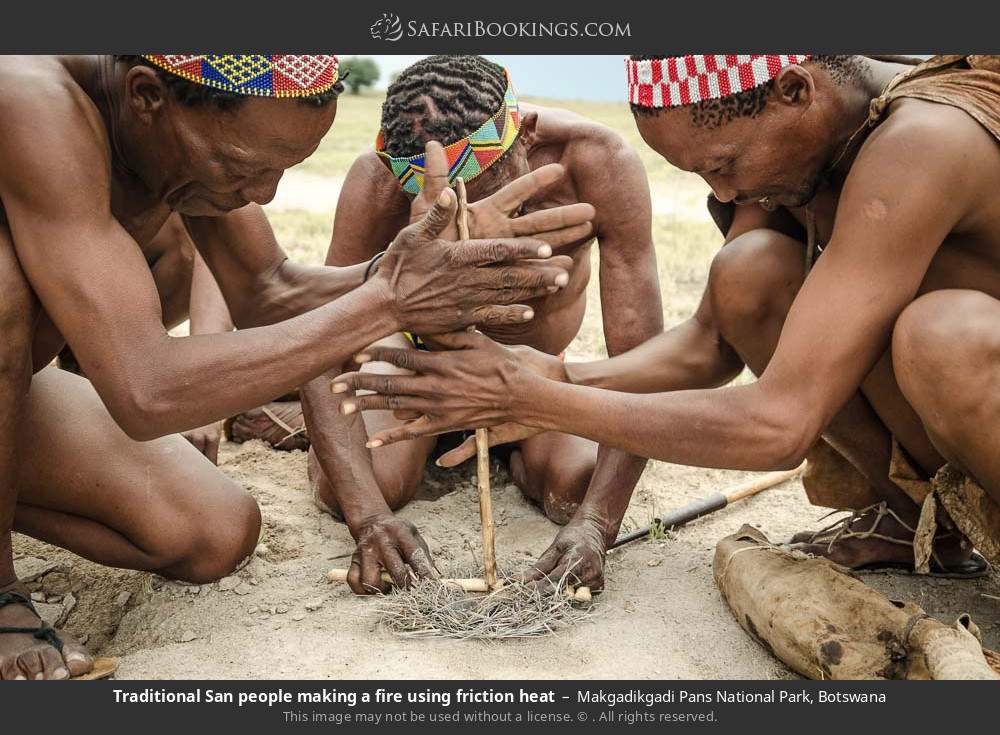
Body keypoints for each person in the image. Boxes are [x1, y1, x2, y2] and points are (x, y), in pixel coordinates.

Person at [0, 53, 592, 679]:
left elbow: (270, 290)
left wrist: (395, 273)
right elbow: (146, 392)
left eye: (283, 170)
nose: (263, 195)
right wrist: (389, 300)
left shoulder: (174, 135)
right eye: (241, 167)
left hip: (27, 381)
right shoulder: (29, 100)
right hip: (102, 373)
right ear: (147, 95)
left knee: (212, 533)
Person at [332, 54, 1000, 586]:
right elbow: (709, 343)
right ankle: (926, 521)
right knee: (749, 272)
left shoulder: (921, 138)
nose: (725, 194)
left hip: (966, 356)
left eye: (724, 164)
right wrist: (560, 375)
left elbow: (779, 423)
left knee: (943, 338)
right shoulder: (808, 140)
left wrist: (538, 400)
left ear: (793, 90)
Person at [229, 55, 663, 596]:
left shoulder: (599, 163)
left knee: (577, 489)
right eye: (443, 207)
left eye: (486, 192)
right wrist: (368, 518)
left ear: (524, 135)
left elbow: (643, 359)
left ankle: (495, 445)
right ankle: (309, 422)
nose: (469, 224)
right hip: (411, 367)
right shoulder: (378, 178)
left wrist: (597, 525)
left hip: (527, 380)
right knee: (364, 488)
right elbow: (325, 340)